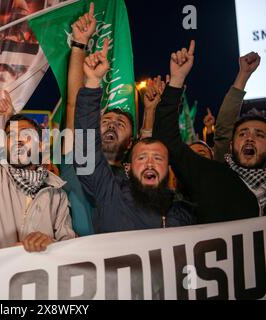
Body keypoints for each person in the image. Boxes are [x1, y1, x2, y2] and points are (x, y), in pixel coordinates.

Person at [0, 17, 75, 252]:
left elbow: (68, 247)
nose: (18, 142)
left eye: (26, 135)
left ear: (42, 146)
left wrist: (50, 244)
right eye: (11, 137)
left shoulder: (56, 195)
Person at [73, 39, 195, 232]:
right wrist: (92, 82)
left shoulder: (184, 212)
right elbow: (86, 152)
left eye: (157, 158)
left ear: (169, 167)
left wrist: (177, 82)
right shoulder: (111, 195)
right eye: (142, 158)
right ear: (130, 166)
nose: (149, 164)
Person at [153, 40, 265, 223]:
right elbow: (167, 140)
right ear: (231, 144)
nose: (250, 138)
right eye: (243, 133)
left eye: (259, 135)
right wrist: (176, 81)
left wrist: (244, 75)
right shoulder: (212, 177)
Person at [59, 3, 136, 236]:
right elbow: (74, 103)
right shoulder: (78, 156)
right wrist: (80, 43)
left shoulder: (136, 183)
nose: (112, 123)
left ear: (131, 143)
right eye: (105, 121)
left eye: (120, 124)